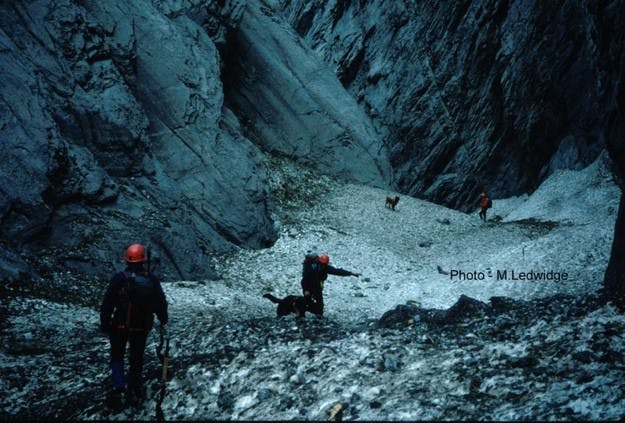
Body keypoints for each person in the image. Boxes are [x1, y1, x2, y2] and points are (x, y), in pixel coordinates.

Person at [100, 243, 168, 410]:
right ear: (143, 260)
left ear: (127, 260)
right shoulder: (151, 280)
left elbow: (108, 303)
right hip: (141, 327)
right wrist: (163, 319)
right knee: (136, 359)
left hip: (119, 326)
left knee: (117, 356)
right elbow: (160, 302)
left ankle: (118, 388)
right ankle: (134, 389)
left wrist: (105, 323)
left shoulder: (119, 278)